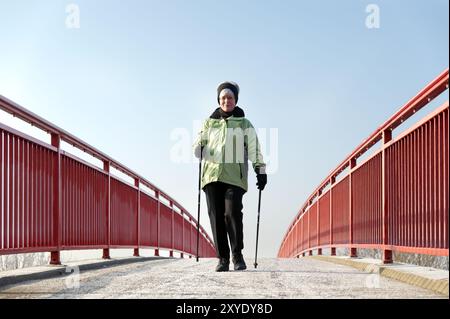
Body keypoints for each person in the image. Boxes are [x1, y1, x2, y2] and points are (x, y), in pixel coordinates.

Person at [193, 81, 267, 272]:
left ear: (236, 100)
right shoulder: (209, 123)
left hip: (234, 177)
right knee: (216, 216)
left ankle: (237, 255)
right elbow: (197, 146)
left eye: (230, 97)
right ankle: (222, 259)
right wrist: (198, 146)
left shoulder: (244, 124)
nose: (227, 100)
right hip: (211, 175)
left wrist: (261, 170)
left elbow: (254, 149)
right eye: (223, 97)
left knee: (232, 213)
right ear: (219, 100)